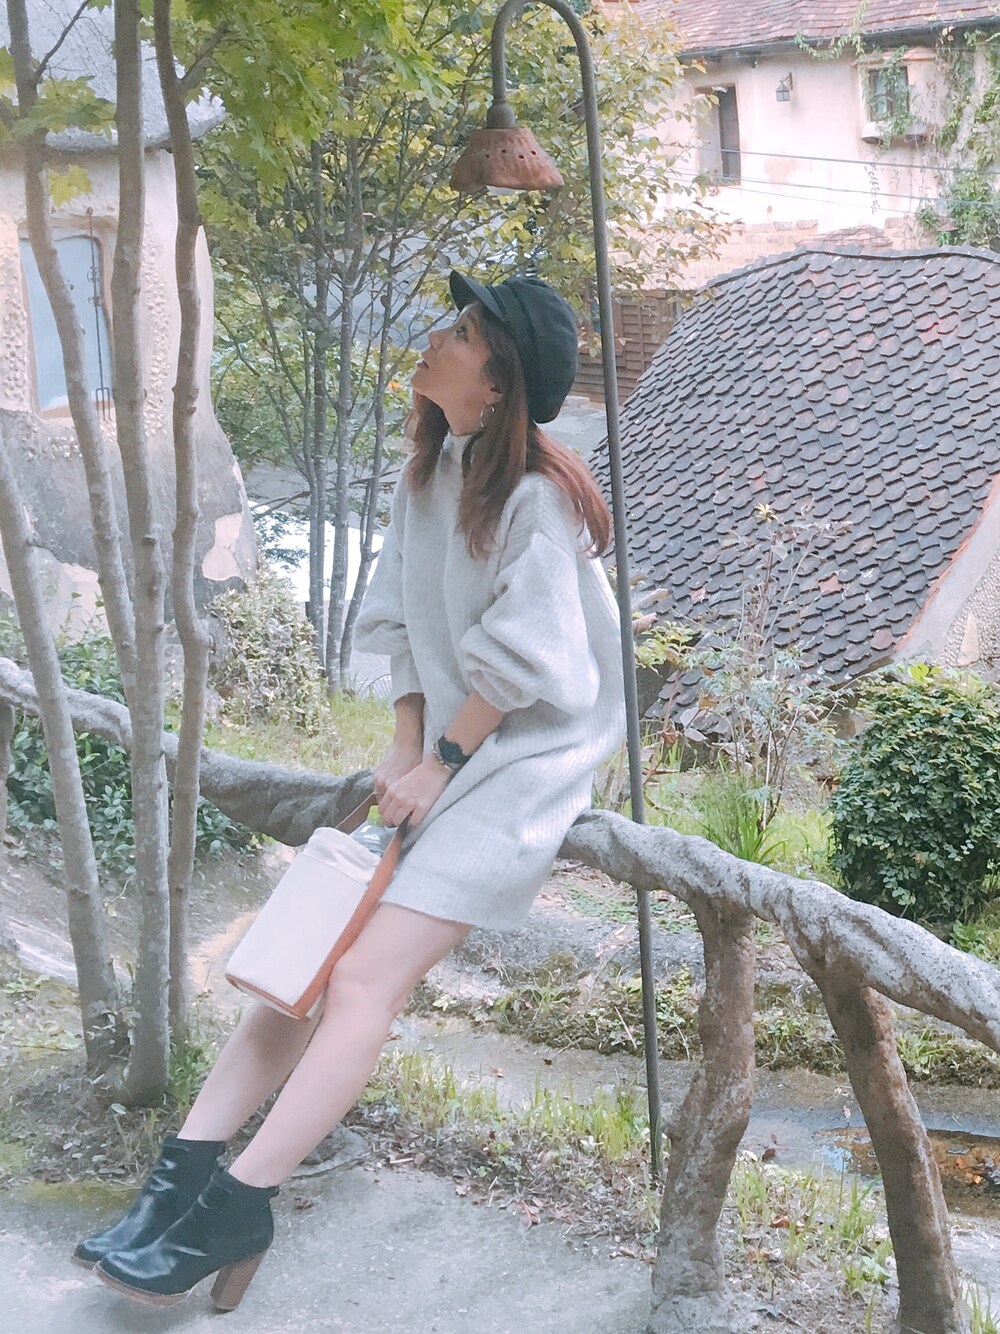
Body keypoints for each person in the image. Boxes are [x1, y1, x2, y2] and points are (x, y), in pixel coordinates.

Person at [74, 270, 626, 1310]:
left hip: (524, 762)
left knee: (364, 977)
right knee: (301, 963)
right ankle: (175, 1186)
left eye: (460, 330)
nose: (435, 336)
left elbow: (529, 662)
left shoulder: (535, 499)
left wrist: (442, 762)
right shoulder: (430, 476)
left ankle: (240, 1201)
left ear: (497, 379)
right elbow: (397, 619)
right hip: (447, 747)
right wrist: (406, 743)